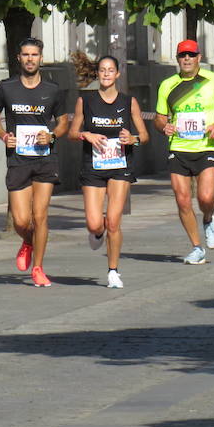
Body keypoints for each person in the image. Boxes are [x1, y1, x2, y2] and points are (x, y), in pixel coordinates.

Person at [0, 37, 69, 287]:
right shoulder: (6, 87)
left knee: (40, 215)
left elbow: (63, 121)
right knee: (21, 221)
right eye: (26, 55)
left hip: (45, 158)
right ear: (18, 58)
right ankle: (29, 241)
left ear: (41, 58)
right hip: (18, 159)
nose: (30, 59)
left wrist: (52, 134)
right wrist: (3, 136)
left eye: (34, 55)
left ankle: (38, 268)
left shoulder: (53, 89)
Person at [154, 40, 214, 264]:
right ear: (178, 59)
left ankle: (209, 219)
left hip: (206, 147)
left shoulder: (213, 81)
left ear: (199, 57)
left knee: (205, 197)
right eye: (183, 55)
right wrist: (164, 126)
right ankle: (196, 247)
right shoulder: (168, 85)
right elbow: (159, 117)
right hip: (178, 147)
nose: (187, 59)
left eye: (191, 55)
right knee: (182, 200)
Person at [69, 56, 149, 288]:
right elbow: (73, 133)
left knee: (113, 222)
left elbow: (144, 136)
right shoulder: (86, 101)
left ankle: (113, 271)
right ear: (98, 74)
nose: (106, 74)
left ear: (117, 74)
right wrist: (87, 135)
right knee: (96, 224)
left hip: (120, 166)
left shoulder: (129, 101)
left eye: (110, 70)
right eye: (102, 70)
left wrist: (132, 139)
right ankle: (96, 234)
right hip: (93, 166)